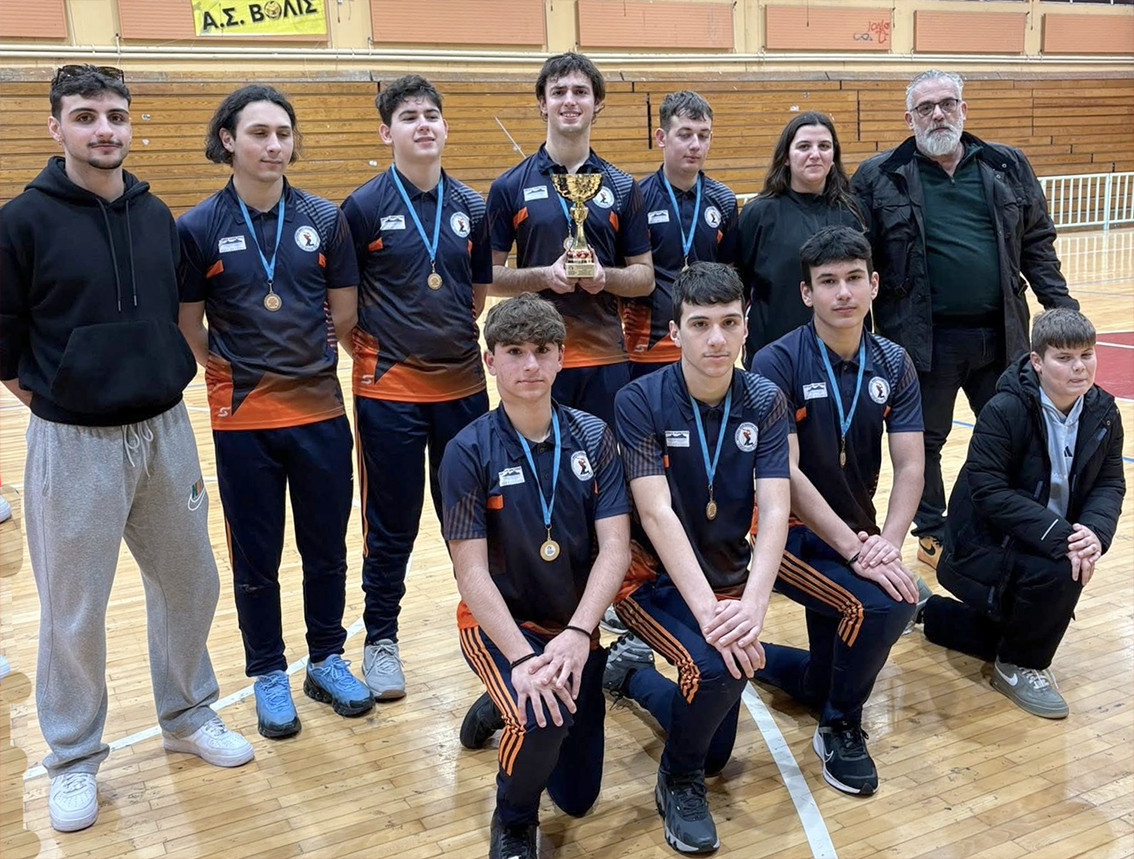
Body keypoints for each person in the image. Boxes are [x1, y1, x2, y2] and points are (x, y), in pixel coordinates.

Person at [0, 65, 252, 833]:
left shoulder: (155, 214)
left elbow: (175, 315)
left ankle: (188, 712)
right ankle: (73, 756)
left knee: (191, 582)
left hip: (166, 431)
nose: (104, 129)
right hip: (74, 440)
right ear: (56, 126)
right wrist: (63, 402)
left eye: (115, 115)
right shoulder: (21, 221)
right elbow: (5, 347)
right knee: (74, 608)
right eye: (85, 116)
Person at [178, 85, 372, 736]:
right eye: (259, 133)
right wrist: (232, 371)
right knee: (256, 556)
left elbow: (344, 312)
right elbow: (189, 323)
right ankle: (266, 670)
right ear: (228, 140)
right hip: (244, 422)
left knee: (325, 548)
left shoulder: (325, 217)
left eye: (283, 133)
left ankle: (327, 658)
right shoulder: (197, 226)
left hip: (319, 413)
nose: (274, 145)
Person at [851, 69, 1079, 570]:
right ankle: (931, 531)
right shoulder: (877, 175)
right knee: (923, 443)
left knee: (1013, 435)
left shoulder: (1006, 164)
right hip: (921, 341)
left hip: (1003, 335)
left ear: (963, 109)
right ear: (909, 118)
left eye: (947, 104)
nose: (938, 114)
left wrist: (1063, 309)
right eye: (926, 107)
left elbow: (1037, 244)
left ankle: (998, 521)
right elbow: (857, 260)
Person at [607, 263, 792, 854]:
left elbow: (776, 508)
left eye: (729, 323)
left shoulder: (765, 399)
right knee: (715, 671)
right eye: (700, 324)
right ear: (674, 331)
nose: (717, 338)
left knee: (716, 748)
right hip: (650, 580)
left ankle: (629, 676)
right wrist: (713, 614)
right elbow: (655, 513)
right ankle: (676, 780)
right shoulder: (639, 399)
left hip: (730, 585)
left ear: (746, 328)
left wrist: (752, 607)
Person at [440, 293, 631, 859]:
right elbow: (471, 573)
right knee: (539, 719)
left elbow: (616, 549)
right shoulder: (467, 451)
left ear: (561, 357)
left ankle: (500, 702)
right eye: (515, 352)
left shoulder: (594, 437)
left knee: (577, 797)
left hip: (573, 630)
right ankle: (514, 819)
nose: (530, 365)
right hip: (502, 627)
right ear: (490, 360)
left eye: (543, 350)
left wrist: (579, 632)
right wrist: (522, 659)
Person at [750, 226, 924, 796]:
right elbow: (785, 474)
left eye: (853, 279)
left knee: (819, 679)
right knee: (889, 604)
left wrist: (888, 543)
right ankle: (840, 727)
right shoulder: (776, 361)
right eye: (828, 282)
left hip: (859, 535)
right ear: (807, 293)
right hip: (784, 537)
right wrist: (857, 551)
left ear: (873, 284)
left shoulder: (894, 362)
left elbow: (912, 465)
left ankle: (761, 664)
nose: (843, 293)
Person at [341, 75, 493, 700]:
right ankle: (381, 640)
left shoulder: (473, 207)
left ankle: (492, 632)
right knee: (391, 525)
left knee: (475, 519)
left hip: (463, 390)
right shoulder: (360, 207)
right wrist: (383, 361)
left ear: (445, 126)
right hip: (390, 395)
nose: (423, 124)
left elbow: (476, 295)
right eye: (409, 117)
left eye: (432, 114)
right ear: (387, 132)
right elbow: (343, 311)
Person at [923, 309, 1124, 719]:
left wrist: (1093, 532)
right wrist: (1063, 537)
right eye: (1064, 357)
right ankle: (1018, 665)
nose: (1079, 367)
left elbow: (1110, 483)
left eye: (1086, 355)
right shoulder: (1004, 409)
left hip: (1046, 536)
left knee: (1042, 591)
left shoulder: (1103, 410)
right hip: (984, 543)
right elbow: (989, 491)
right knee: (1063, 569)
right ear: (1037, 361)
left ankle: (930, 612)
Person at [486, 51, 653, 427]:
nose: (569, 101)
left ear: (598, 103)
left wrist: (603, 277)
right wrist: (545, 276)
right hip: (535, 358)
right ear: (542, 104)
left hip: (605, 354)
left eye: (580, 91)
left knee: (606, 456)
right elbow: (488, 277)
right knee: (540, 457)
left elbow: (644, 278)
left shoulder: (623, 186)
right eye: (558, 92)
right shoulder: (509, 186)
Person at [622, 90, 738, 378]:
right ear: (661, 137)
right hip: (648, 346)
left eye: (703, 136)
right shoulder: (636, 198)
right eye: (685, 135)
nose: (695, 145)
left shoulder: (723, 200)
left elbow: (733, 275)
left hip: (708, 344)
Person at [738, 111, 865, 363]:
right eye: (804, 146)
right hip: (774, 352)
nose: (815, 154)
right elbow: (738, 283)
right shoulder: (758, 214)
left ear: (833, 156)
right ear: (786, 157)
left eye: (824, 146)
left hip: (843, 354)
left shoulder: (854, 213)